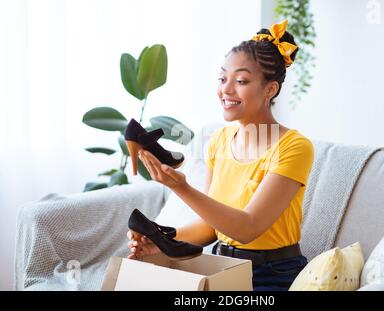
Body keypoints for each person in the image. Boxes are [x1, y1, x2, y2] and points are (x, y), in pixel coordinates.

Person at [127, 19, 314, 291]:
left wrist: (180, 186)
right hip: (220, 265)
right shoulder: (219, 141)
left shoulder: (294, 147)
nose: (226, 89)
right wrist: (164, 240)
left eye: (240, 81)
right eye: (222, 78)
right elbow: (211, 227)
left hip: (272, 275)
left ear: (270, 89)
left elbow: (247, 229)